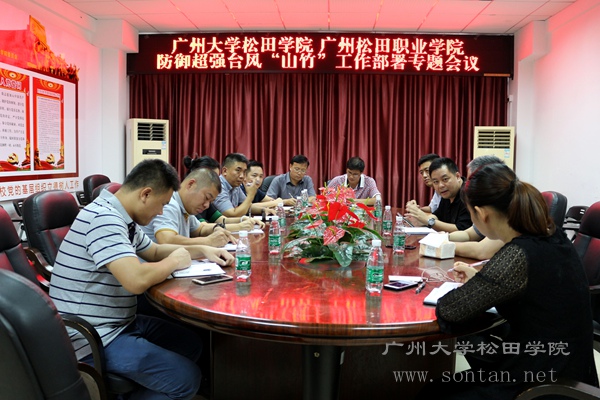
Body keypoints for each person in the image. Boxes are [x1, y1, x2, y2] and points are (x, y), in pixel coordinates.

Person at [49, 159, 234, 399]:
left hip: (121, 322)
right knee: (187, 379)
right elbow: (135, 281)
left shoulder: (123, 218)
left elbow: (153, 251)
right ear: (146, 194)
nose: (161, 212)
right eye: (162, 204)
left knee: (190, 344)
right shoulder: (104, 219)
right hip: (95, 337)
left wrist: (202, 250)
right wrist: (174, 261)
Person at [418, 163, 598, 399]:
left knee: (433, 392)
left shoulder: (517, 254)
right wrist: (482, 281)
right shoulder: (551, 235)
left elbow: (451, 309)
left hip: (542, 382)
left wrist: (479, 285)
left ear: (481, 213)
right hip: (565, 366)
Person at [141, 167, 238, 247]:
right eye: (206, 198)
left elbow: (199, 230)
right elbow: (166, 240)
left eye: (210, 202)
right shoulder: (169, 203)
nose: (207, 205)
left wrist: (216, 229)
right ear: (191, 184)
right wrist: (208, 241)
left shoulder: (185, 206)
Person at [183, 155, 265, 231]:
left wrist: (243, 219)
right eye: (212, 179)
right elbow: (202, 228)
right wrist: (239, 226)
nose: (242, 176)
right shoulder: (188, 202)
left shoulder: (205, 199)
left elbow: (222, 219)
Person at [449, 155, 506, 260]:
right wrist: (444, 237)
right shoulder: (488, 203)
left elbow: (483, 251)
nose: (467, 186)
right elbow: (469, 234)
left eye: (471, 181)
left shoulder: (507, 208)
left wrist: (443, 246)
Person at [405, 157, 471, 232]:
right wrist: (418, 217)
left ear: (457, 176)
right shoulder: (447, 194)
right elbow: (437, 216)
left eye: (445, 179)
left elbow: (462, 230)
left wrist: (427, 220)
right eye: (436, 182)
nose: (440, 185)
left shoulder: (469, 194)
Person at [213, 153, 267, 217]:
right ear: (225, 171)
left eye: (244, 172)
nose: (242, 176)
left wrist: (263, 210)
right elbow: (232, 214)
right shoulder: (218, 186)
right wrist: (250, 195)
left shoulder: (235, 185)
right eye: (238, 170)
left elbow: (247, 206)